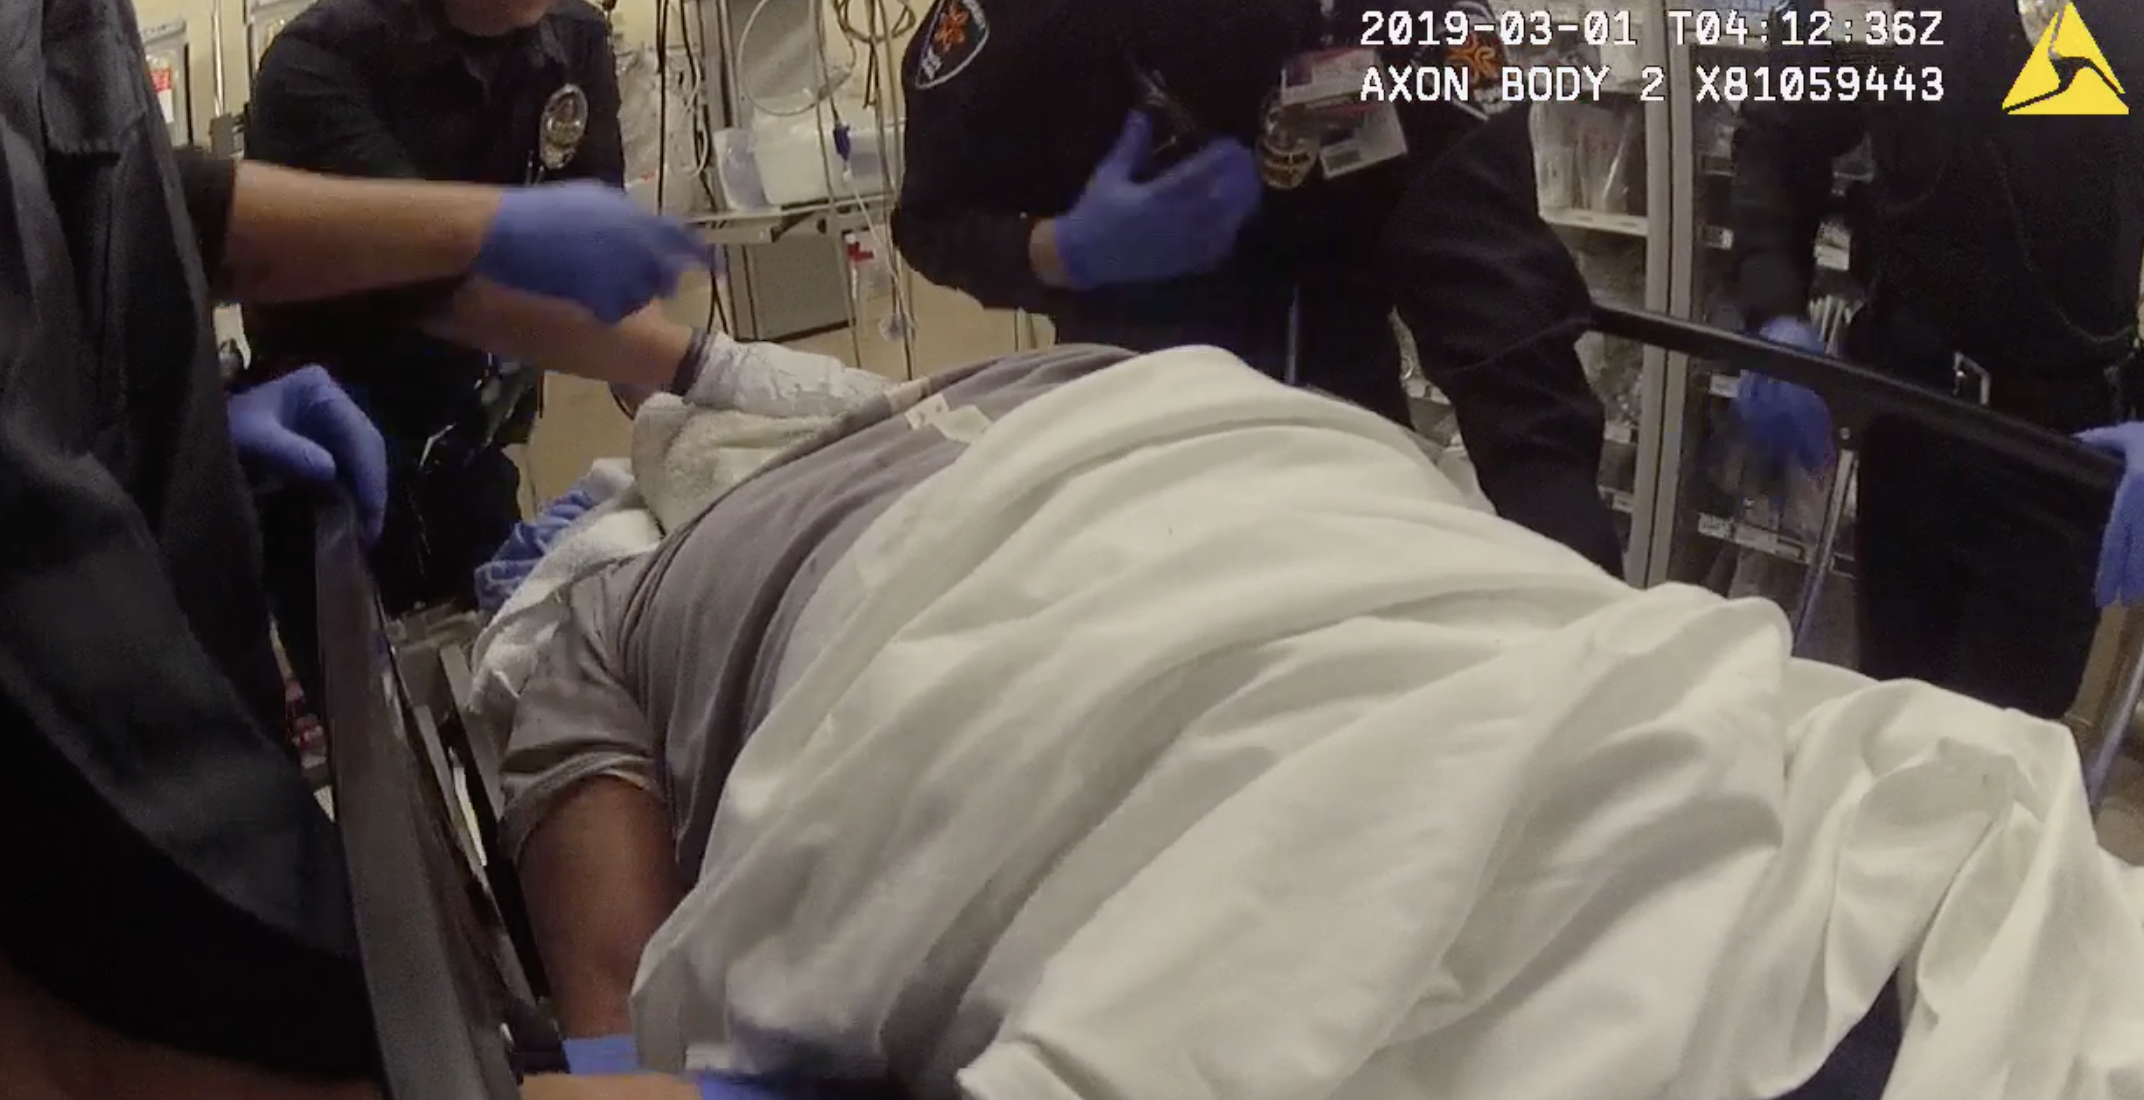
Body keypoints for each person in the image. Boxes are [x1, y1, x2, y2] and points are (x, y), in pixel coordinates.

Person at [0, 0, 723, 1088]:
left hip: (331, 486)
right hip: (273, 545)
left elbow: (135, 209)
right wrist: (317, 992)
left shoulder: (567, 50)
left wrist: (714, 396)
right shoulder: (326, 62)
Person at [891, 0, 1625, 574]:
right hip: (1113, 457)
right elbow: (931, 218)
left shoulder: (1410, 20)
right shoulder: (1014, 21)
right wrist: (1060, 251)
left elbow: (1483, 262)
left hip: (1340, 452)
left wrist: (1555, 512)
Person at [1728, 0, 2144, 719]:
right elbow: (1781, 132)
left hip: (2065, 449)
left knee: (1989, 761)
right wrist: (1776, 313)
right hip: (1909, 421)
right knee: (1890, 718)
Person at [244, 0, 635, 616]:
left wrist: (678, 410)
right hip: (337, 472)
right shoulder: (320, 62)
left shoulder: (571, 40)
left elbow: (595, 240)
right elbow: (433, 270)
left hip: (467, 444)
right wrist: (688, 362)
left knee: (514, 642)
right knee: (373, 693)